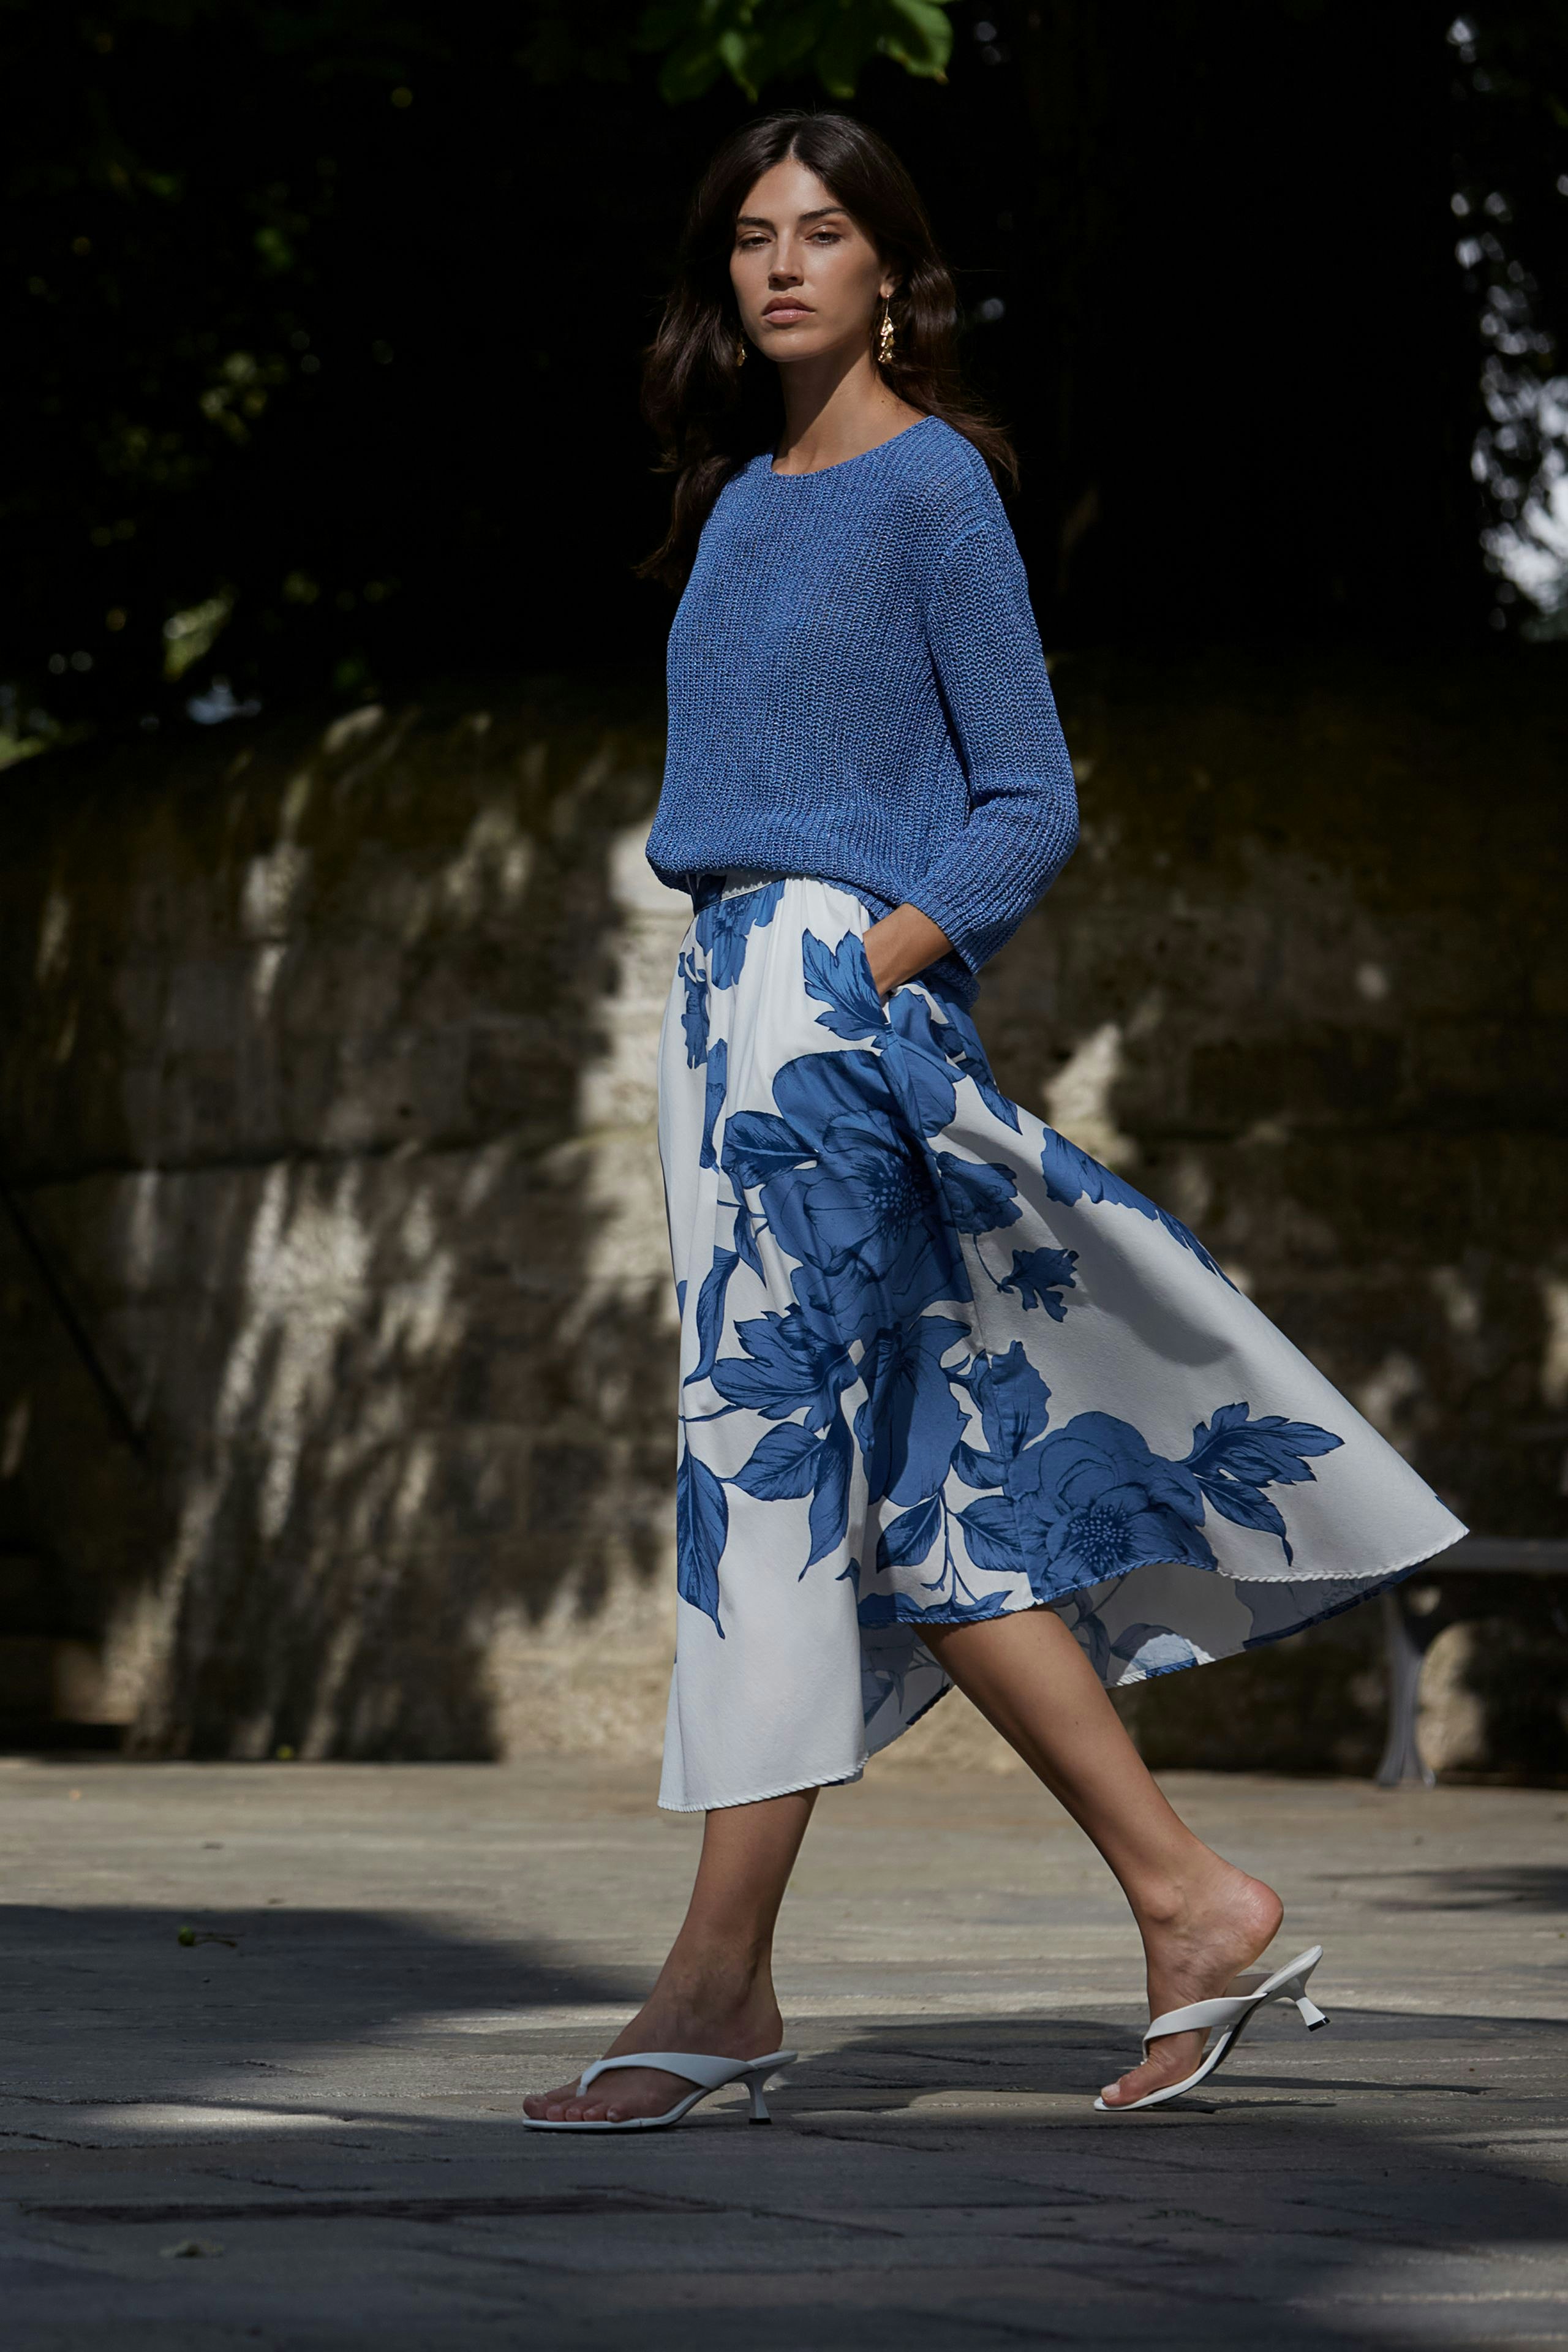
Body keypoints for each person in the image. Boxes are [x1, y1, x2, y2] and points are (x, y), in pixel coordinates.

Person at [523, 111, 1463, 2131]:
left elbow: (1028, 799)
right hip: (725, 1007)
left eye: (824, 232)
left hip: (828, 1013)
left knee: (770, 1471)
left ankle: (718, 1985)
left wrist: (865, 967)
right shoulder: (731, 504)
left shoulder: (936, 485)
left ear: (892, 271)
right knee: (927, 1499)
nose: (785, 263)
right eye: (754, 236)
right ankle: (1191, 1903)